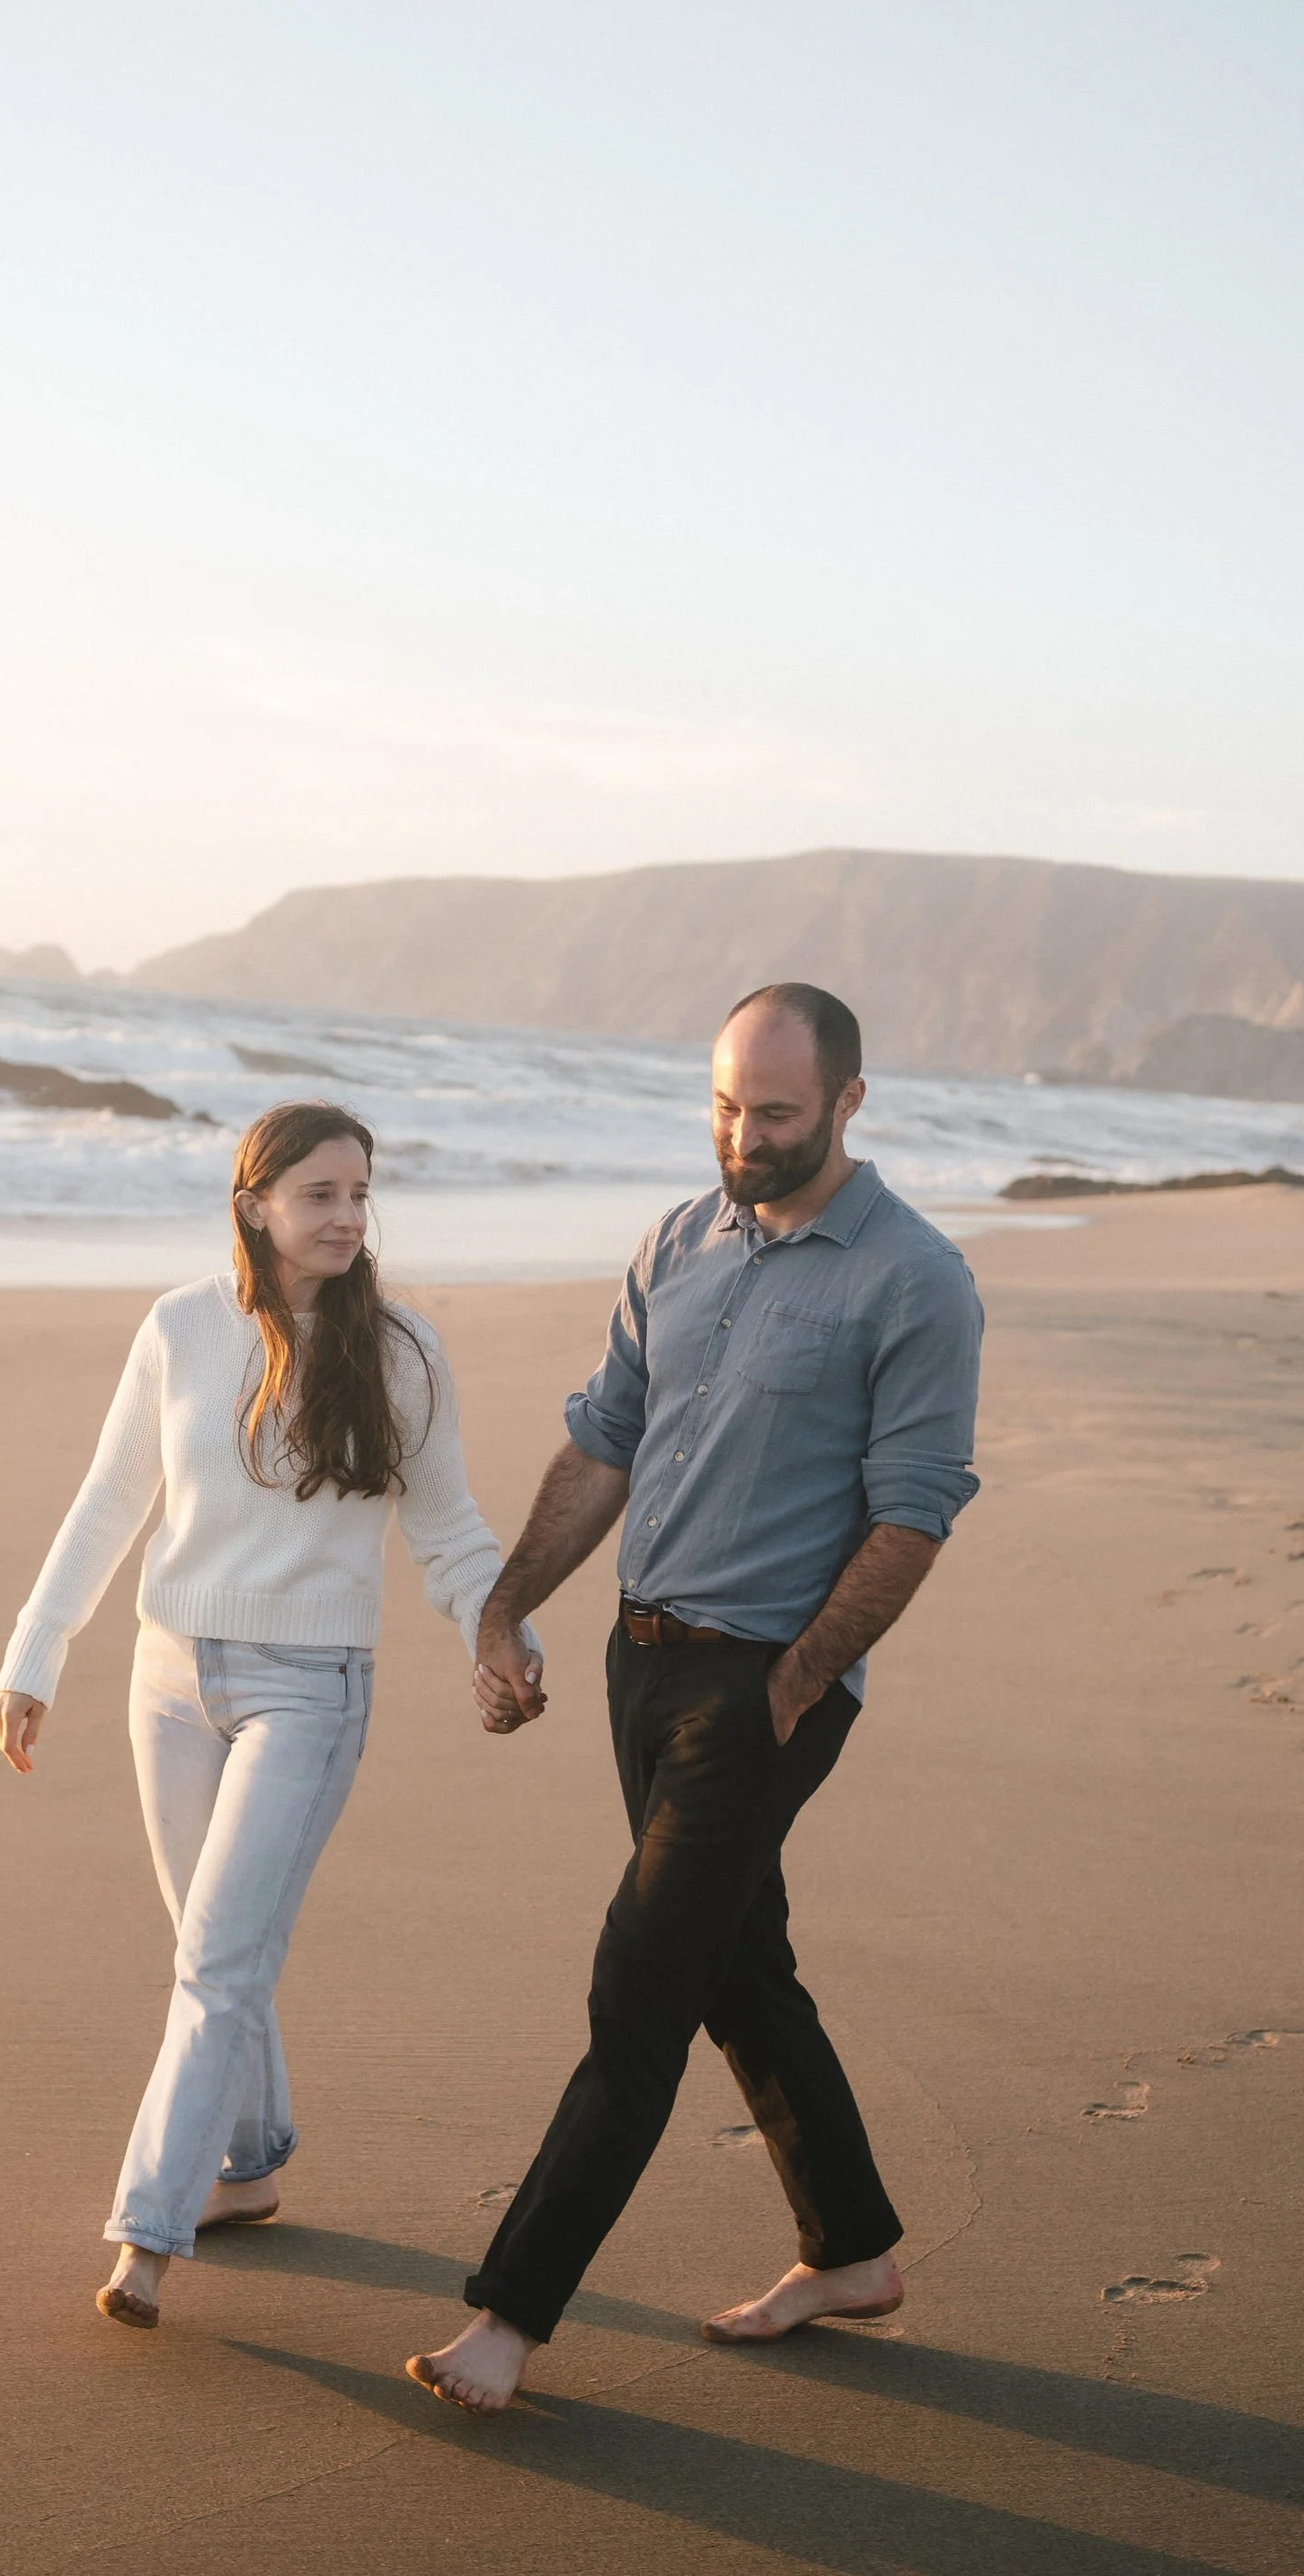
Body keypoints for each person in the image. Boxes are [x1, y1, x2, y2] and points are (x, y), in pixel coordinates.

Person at [410, 982, 983, 2411]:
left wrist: (792, 1687)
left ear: (849, 1102)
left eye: (775, 1112)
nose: (743, 1135)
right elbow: (604, 1441)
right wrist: (505, 1606)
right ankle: (852, 2248)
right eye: (725, 1104)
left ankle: (508, 2318)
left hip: (761, 1689)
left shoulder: (916, 1279)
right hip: (640, 1659)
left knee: (640, 1988)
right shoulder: (678, 1237)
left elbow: (912, 1514)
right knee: (738, 1966)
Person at [0, 1099, 530, 2330]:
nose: (347, 1217)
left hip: (310, 1687)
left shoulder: (402, 1350)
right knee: (212, 1947)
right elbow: (109, 1500)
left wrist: (499, 1632)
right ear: (254, 1205)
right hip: (169, 1678)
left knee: (218, 1963)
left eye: (360, 1193)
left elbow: (449, 1525)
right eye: (320, 1194)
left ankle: (148, 2232)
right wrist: (36, 1652)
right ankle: (249, 2163)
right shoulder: (180, 1325)